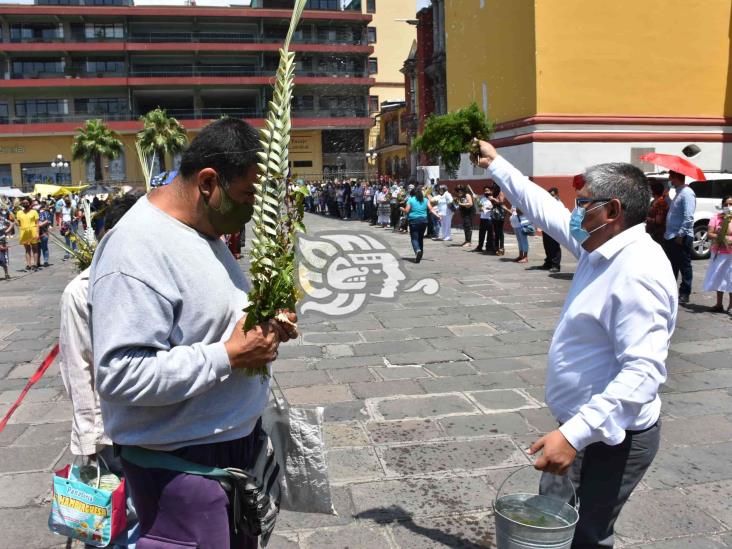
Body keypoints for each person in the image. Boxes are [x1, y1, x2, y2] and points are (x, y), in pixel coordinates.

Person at [88, 119, 298, 549]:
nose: (254, 209)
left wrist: (264, 325)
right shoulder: (136, 249)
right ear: (208, 183)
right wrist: (230, 356)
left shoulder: (207, 232)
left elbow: (211, 321)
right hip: (181, 466)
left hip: (231, 453)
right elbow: (119, 374)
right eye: (247, 196)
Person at [475, 139, 675, 549]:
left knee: (588, 534)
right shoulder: (597, 246)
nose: (576, 211)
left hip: (609, 440)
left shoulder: (638, 269)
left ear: (613, 211)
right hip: (581, 431)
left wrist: (574, 436)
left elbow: (643, 372)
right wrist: (498, 164)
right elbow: (545, 210)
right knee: (553, 522)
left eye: (584, 204)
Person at [59, 192, 142, 547]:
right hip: (110, 435)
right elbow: (78, 368)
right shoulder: (80, 292)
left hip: (156, 429)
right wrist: (87, 442)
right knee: (114, 524)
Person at [663, 170, 696, 304]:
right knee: (673, 265)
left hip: (680, 236)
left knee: (684, 265)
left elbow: (689, 217)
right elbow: (675, 210)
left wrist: (681, 234)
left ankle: (685, 293)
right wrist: (667, 198)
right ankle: (671, 291)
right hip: (671, 235)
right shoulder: (678, 193)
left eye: (670, 177)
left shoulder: (687, 193)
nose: (669, 180)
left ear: (676, 178)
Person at [703, 195, 732, 314]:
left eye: (731, 204)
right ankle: (719, 304)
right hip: (718, 253)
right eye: (726, 205)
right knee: (719, 278)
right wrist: (720, 237)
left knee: (730, 279)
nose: (728, 207)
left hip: (730, 254)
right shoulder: (716, 218)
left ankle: (731, 304)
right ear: (722, 206)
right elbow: (709, 234)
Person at [402, 185, 440, 263]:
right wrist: (437, 215)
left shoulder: (411, 200)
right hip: (423, 221)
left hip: (413, 220)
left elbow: (406, 211)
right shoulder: (425, 200)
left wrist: (402, 209)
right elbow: (431, 209)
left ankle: (417, 250)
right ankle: (420, 254)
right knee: (420, 238)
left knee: (414, 238)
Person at [539, 188, 562, 272]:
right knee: (547, 246)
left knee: (554, 246)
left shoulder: (558, 204)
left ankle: (556, 265)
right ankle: (548, 262)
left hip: (554, 228)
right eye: (549, 195)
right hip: (546, 227)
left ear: (556, 195)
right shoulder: (547, 203)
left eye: (552, 195)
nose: (551, 197)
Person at [15, 199, 40, 272]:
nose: (25, 203)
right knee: (27, 249)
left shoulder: (34, 211)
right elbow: (18, 223)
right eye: (24, 202)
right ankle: (29, 264)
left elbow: (37, 223)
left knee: (35, 249)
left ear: (30, 203)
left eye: (27, 202)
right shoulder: (19, 212)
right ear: (22, 204)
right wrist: (16, 222)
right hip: (24, 232)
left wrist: (37, 233)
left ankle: (35, 264)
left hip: (33, 231)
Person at [645, 179, 669, 245]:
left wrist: (647, 219)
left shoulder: (661, 202)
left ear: (653, 190)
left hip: (658, 233)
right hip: (652, 232)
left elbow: (659, 221)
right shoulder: (654, 201)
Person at [474, 185, 495, 253]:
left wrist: (488, 208)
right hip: (483, 218)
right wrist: (477, 200)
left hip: (490, 218)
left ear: (491, 191)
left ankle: (489, 247)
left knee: (490, 234)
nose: (486, 192)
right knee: (481, 233)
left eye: (488, 190)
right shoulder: (483, 199)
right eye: (485, 191)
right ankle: (480, 246)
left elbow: (493, 208)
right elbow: (480, 208)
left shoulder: (493, 199)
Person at [489, 182, 506, 255]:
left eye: (494, 188)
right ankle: (496, 247)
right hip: (494, 213)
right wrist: (491, 199)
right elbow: (494, 203)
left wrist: (493, 199)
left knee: (500, 231)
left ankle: (501, 248)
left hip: (500, 213)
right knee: (495, 231)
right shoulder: (494, 194)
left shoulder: (500, 193)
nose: (493, 189)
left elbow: (501, 202)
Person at [37, 201, 52, 268]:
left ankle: (45, 261)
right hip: (35, 233)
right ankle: (37, 262)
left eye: (37, 204)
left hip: (43, 232)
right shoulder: (34, 213)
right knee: (37, 248)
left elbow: (48, 221)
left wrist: (40, 225)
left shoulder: (46, 212)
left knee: (44, 247)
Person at [0, 213, 10, 280]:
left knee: (3, 259)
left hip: (3, 242)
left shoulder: (2, 220)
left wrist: (6, 231)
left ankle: (6, 273)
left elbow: (11, 224)